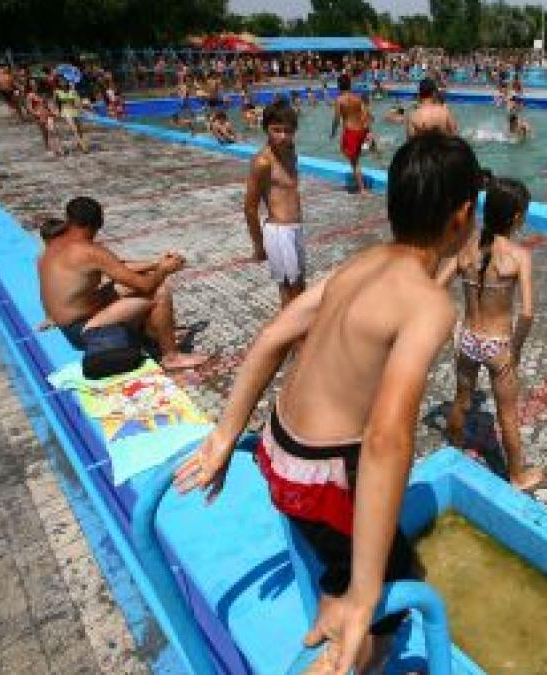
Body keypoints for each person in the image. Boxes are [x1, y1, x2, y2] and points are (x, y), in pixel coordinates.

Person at [174, 133, 481, 675]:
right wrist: (367, 595)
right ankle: (351, 654)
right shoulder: (430, 305)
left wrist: (223, 437)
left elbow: (272, 336)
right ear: (462, 218)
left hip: (276, 452)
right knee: (398, 589)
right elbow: (388, 437)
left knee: (353, 557)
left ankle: (337, 601)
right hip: (327, 477)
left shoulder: (359, 263)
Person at [437, 176, 544, 491]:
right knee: (507, 414)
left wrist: (447, 326)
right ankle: (517, 475)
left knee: (462, 399)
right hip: (498, 344)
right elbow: (527, 312)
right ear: (516, 217)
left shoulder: (467, 248)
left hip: (468, 337)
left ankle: (454, 448)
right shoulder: (518, 255)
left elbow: (435, 287)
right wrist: (517, 349)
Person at [37, 197, 207, 370]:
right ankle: (171, 357)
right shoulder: (90, 251)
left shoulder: (53, 245)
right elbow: (145, 286)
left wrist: (157, 263)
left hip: (67, 322)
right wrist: (164, 270)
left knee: (139, 279)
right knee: (159, 292)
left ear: (68, 220)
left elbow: (119, 267)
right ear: (99, 223)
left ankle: (152, 331)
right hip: (83, 330)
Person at [246, 100, 306, 307]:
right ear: (266, 129)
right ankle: (290, 337)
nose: (282, 136)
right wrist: (258, 245)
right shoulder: (263, 162)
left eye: (287, 131)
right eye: (276, 130)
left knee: (300, 286)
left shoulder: (291, 151)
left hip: (295, 228)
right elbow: (250, 207)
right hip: (279, 232)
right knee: (291, 291)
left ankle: (295, 336)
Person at [332, 73, 370, 194]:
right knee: (353, 156)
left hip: (350, 131)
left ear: (339, 85)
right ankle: (360, 182)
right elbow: (365, 116)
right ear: (350, 85)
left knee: (354, 162)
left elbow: (337, 119)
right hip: (361, 131)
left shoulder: (339, 100)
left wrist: (333, 131)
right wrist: (367, 131)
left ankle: (362, 188)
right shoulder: (357, 98)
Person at [25, 80, 62, 157]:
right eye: (32, 85)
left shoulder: (43, 94)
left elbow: (50, 103)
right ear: (30, 86)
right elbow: (29, 108)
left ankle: (58, 148)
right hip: (39, 116)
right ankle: (48, 147)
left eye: (35, 84)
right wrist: (35, 114)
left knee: (53, 130)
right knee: (45, 133)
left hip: (48, 114)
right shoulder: (30, 95)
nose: (34, 86)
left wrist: (54, 111)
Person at [54, 79, 89, 153]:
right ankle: (83, 146)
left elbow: (78, 101)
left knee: (79, 129)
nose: (63, 83)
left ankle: (79, 143)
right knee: (74, 129)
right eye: (61, 82)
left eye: (64, 81)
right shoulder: (57, 92)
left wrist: (81, 109)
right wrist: (57, 112)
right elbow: (56, 103)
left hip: (74, 110)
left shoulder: (72, 91)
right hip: (65, 110)